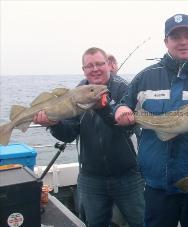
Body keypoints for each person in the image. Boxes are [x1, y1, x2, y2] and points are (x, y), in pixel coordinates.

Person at [114, 14, 188, 227]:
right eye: (175, 36)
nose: (182, 41)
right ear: (166, 42)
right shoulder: (145, 77)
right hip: (156, 187)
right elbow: (124, 103)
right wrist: (121, 109)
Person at [33, 47, 145, 227]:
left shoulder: (125, 89)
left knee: (141, 222)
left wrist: (104, 110)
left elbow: (129, 129)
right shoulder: (77, 92)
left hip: (128, 175)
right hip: (91, 178)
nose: (95, 69)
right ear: (83, 69)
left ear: (108, 65)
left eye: (100, 64)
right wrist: (54, 124)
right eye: (89, 66)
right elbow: (69, 134)